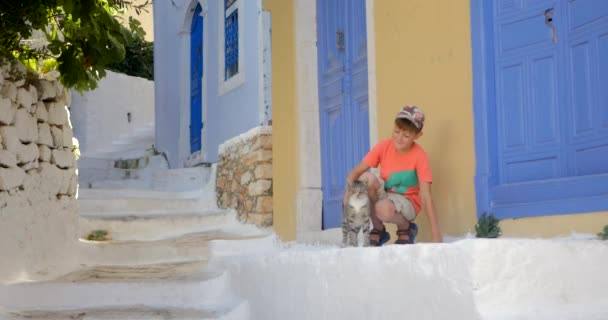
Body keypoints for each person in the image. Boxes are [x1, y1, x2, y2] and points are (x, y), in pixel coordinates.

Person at [343, 105, 442, 245]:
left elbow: (426, 196)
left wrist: (435, 233)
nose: (399, 138)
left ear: (418, 136)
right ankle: (378, 229)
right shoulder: (384, 146)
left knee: (382, 208)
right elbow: (356, 172)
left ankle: (406, 229)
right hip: (387, 196)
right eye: (396, 131)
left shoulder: (420, 156)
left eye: (406, 135)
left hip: (408, 201)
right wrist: (347, 193)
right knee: (365, 179)